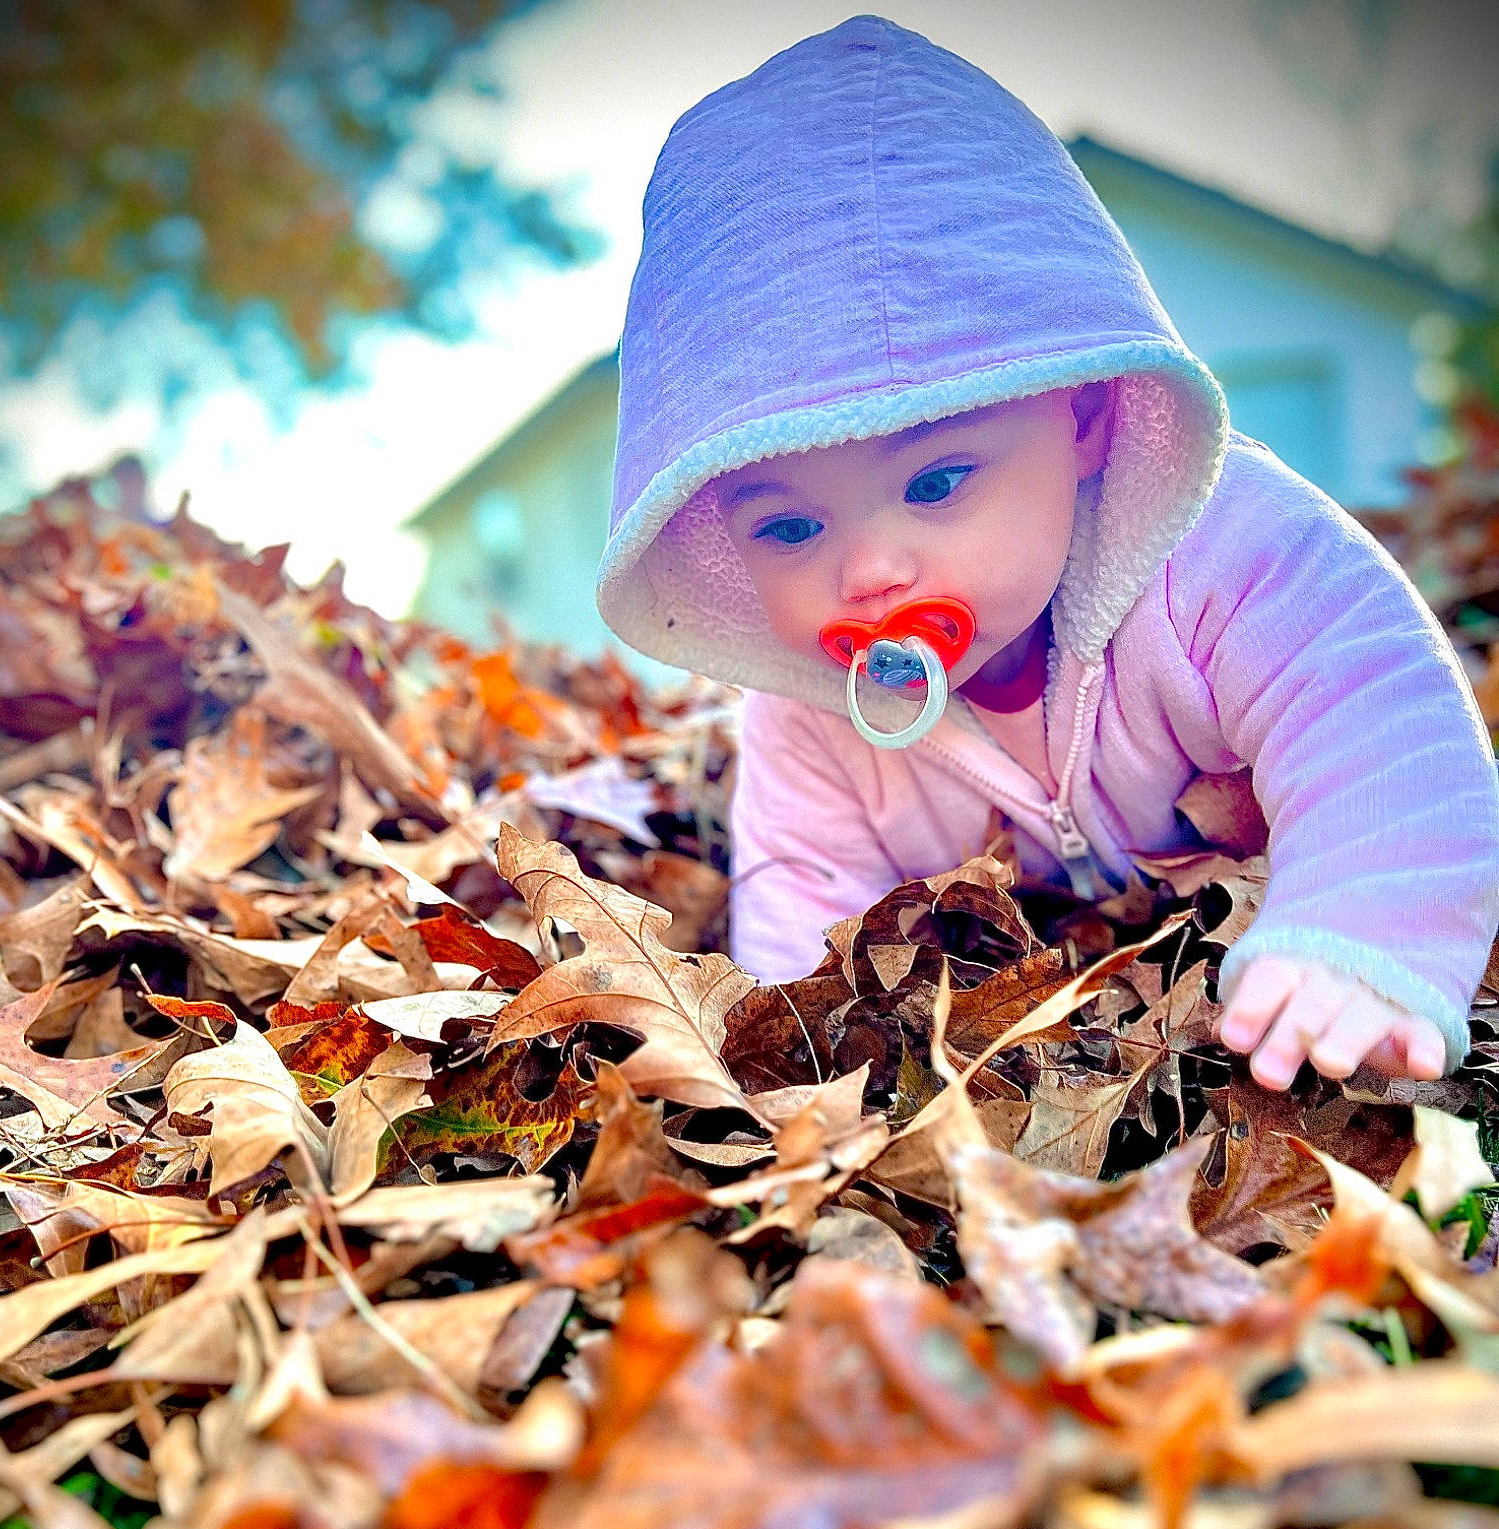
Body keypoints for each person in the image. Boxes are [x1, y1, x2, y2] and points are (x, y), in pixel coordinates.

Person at [595, 16, 1499, 1093]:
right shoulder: (814, 716)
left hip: (1269, 929)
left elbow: (1371, 706)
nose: (870, 570)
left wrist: (1364, 929)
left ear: (1080, 420)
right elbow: (803, 902)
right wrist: (802, 1075)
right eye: (789, 527)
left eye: (935, 483)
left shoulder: (1221, 549)